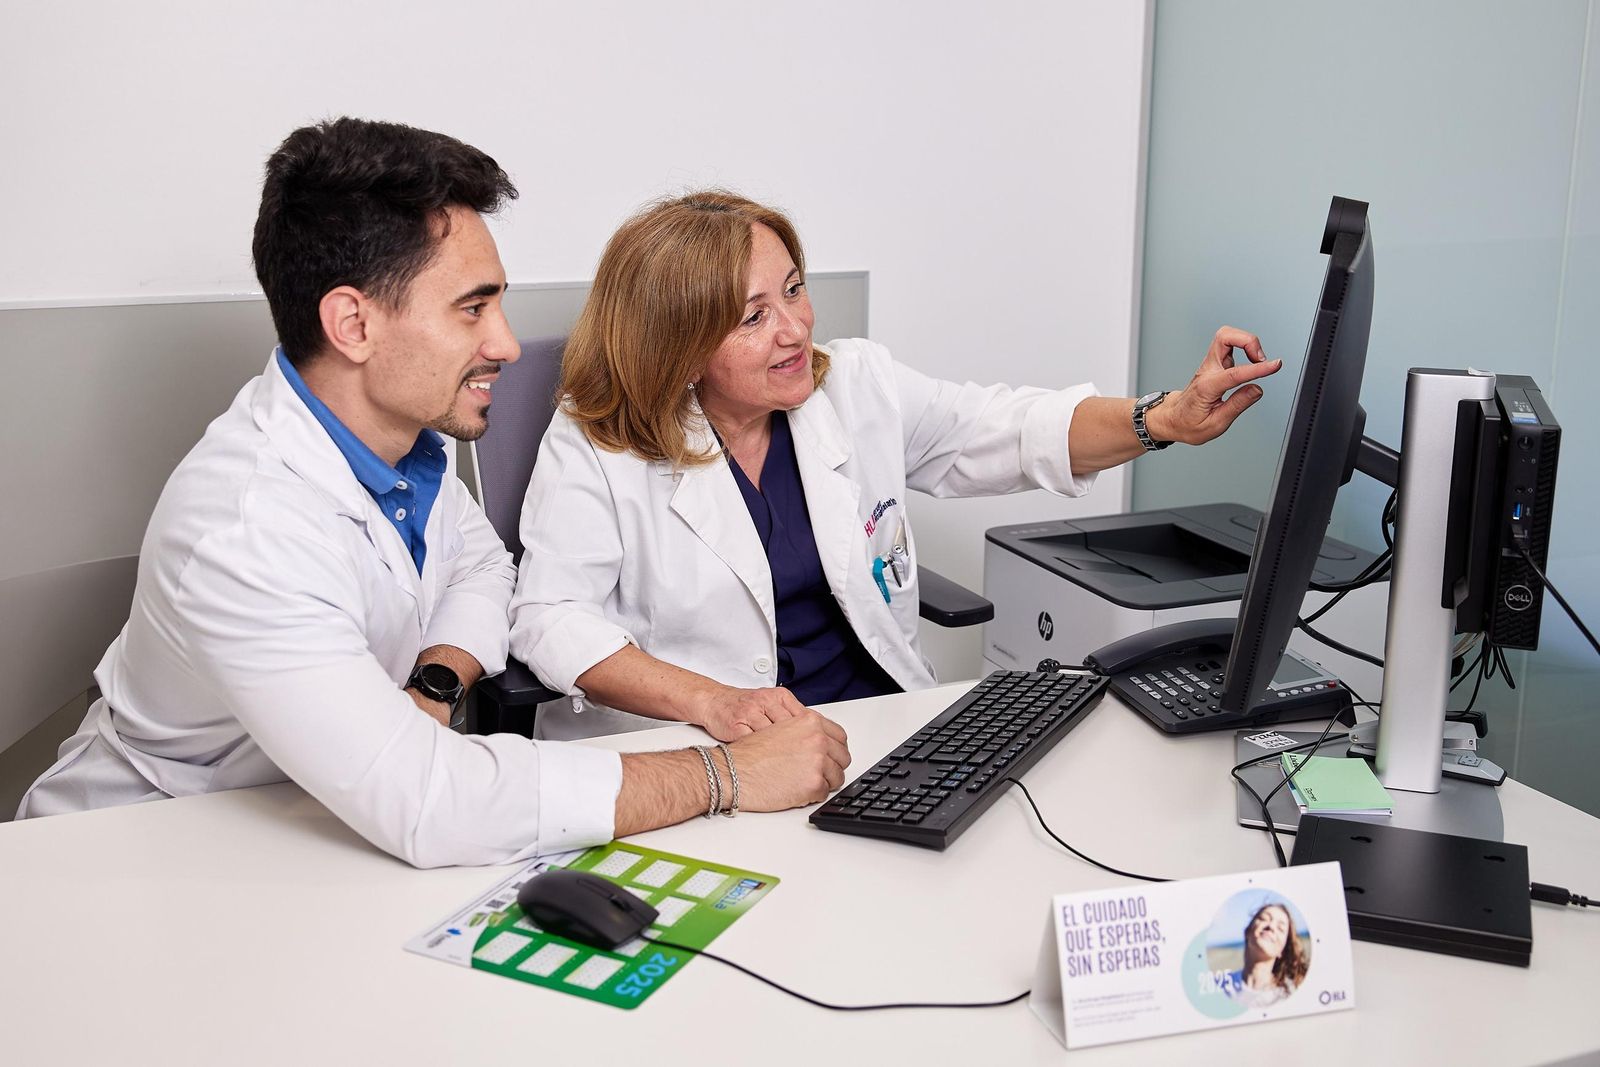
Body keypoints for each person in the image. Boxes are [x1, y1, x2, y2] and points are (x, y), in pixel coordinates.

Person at [17, 121, 848, 867]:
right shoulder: (246, 526)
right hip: (142, 851)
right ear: (354, 324)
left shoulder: (405, 448)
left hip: (314, 822)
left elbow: (482, 567)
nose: (509, 343)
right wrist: (723, 773)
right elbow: (429, 799)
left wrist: (437, 683)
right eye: (472, 309)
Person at [509, 191, 1281, 741]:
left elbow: (1008, 428)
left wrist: (1164, 419)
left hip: (878, 729)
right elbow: (550, 618)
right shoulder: (597, 440)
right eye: (754, 317)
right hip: (702, 755)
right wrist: (714, 702)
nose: (795, 328)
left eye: (795, 290)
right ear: (677, 345)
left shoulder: (853, 385)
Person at [1221, 902, 1308, 1008]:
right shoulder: (1218, 985)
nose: (1271, 926)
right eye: (1264, 918)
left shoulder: (1292, 994)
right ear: (1247, 932)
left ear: (1282, 951)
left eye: (1280, 928)